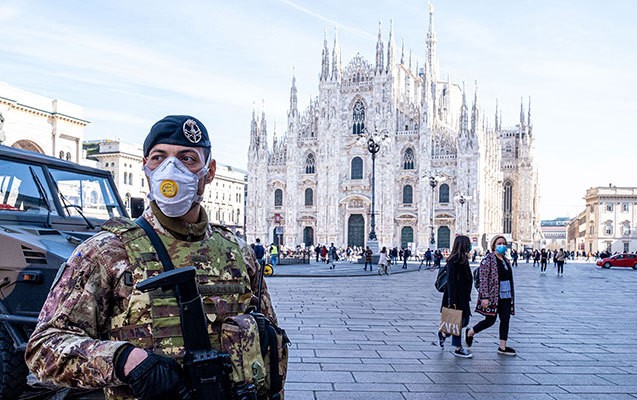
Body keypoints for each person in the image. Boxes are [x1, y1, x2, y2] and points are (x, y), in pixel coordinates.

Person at [25, 115, 287, 400]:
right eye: (158, 158)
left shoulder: (239, 253)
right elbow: (44, 349)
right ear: (146, 167)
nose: (170, 169)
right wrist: (123, 360)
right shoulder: (106, 251)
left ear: (209, 171)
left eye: (187, 159)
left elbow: (269, 344)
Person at [465, 235, 517, 356]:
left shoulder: (506, 260)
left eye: (504, 244)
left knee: (505, 320)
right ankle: (470, 332)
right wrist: (484, 297)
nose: (502, 246)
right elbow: (483, 279)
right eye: (499, 243)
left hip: (506, 295)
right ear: (494, 245)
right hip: (493, 295)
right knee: (490, 320)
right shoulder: (488, 260)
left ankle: (502, 346)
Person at [438, 235, 473, 358]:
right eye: (468, 244)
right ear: (463, 245)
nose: (470, 246)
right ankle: (458, 348)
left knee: (462, 321)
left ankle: (443, 334)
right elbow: (451, 282)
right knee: (457, 322)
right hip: (455, 297)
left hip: (463, 296)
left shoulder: (463, 259)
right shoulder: (453, 261)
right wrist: (452, 301)